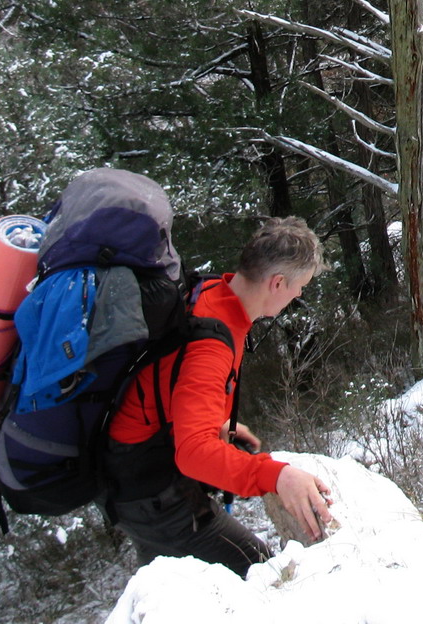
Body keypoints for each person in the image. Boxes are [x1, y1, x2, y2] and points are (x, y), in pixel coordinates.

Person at [103, 217, 334, 576]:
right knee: (259, 572)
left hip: (130, 469)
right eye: (300, 286)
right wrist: (278, 476)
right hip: (149, 487)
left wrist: (214, 421)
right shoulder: (211, 345)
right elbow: (194, 452)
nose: (299, 295)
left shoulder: (211, 292)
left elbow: (168, 375)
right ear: (277, 283)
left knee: (172, 589)